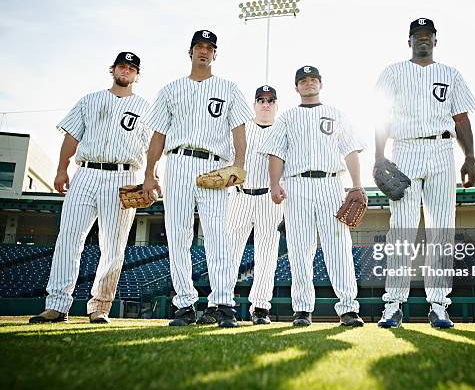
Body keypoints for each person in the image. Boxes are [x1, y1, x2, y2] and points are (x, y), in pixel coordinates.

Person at [30, 52, 150, 324]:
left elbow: (151, 147)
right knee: (69, 238)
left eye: (132, 68)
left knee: (114, 246)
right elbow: (72, 136)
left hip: (123, 175)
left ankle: (100, 306)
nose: (126, 71)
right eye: (122, 66)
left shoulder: (145, 107)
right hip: (85, 172)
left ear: (137, 75)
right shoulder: (90, 100)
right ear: (113, 69)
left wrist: (149, 178)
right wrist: (62, 168)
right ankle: (57, 305)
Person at [374, 18, 475, 329]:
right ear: (409, 42)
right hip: (404, 149)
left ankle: (439, 305)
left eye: (428, 35)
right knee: (402, 229)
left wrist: (470, 156)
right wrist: (379, 157)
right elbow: (380, 117)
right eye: (417, 36)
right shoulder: (393, 72)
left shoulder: (450, 73)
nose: (423, 40)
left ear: (436, 40)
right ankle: (393, 304)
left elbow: (460, 118)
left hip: (442, 150)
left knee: (442, 230)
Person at [143, 30, 252, 328]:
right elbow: (158, 135)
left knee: (218, 236)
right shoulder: (170, 89)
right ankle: (184, 305)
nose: (204, 51)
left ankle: (223, 304)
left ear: (215, 54)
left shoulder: (229, 88)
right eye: (199, 46)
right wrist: (150, 172)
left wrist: (239, 164)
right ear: (189, 52)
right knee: (178, 235)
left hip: (214, 166)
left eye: (209, 47)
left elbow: (239, 129)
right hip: (176, 162)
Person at [260, 66, 366, 327]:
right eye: (303, 81)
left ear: (321, 84)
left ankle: (348, 309)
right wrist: (275, 184)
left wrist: (356, 185)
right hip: (297, 184)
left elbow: (351, 150)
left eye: (313, 79)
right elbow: (276, 153)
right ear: (296, 88)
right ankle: (303, 310)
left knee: (338, 247)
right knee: (299, 249)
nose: (308, 83)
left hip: (331, 183)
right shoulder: (286, 117)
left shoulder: (336, 114)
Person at [226, 85, 284, 325]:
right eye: (261, 99)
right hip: (240, 195)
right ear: (254, 104)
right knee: (229, 252)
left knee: (267, 255)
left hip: (269, 199)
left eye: (271, 100)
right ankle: (219, 302)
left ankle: (260, 306)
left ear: (276, 105)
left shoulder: (283, 130)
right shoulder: (241, 128)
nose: (266, 104)